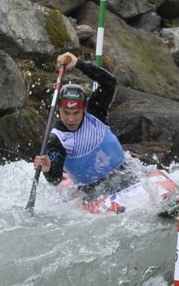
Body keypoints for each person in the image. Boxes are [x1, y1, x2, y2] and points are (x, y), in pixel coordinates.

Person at [32, 54, 126, 193]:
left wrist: (78, 64)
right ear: (58, 109)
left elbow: (110, 82)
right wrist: (48, 169)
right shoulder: (57, 139)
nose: (71, 119)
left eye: (76, 113)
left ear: (84, 109)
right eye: (66, 113)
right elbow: (55, 179)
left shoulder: (95, 113)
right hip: (93, 191)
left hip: (125, 172)